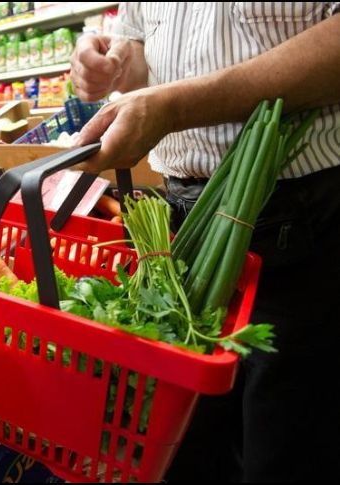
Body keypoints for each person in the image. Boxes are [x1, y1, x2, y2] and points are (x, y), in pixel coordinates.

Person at [69, 3, 340, 483]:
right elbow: (142, 51)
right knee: (189, 453)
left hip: (303, 214)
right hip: (183, 217)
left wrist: (174, 107)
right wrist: (112, 64)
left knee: (284, 451)